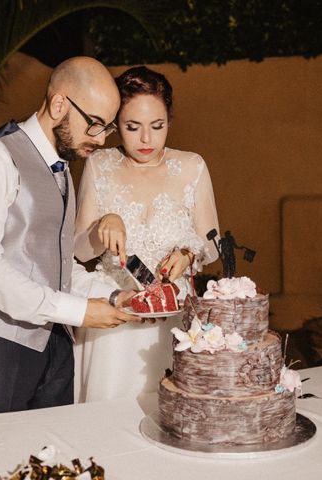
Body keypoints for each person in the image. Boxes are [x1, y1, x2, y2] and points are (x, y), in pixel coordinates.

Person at [0, 56, 139, 417]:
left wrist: (112, 296)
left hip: (55, 342)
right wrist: (78, 311)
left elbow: (57, 262)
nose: (100, 140)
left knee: (51, 457)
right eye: (95, 124)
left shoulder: (62, 168)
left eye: (107, 128)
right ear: (59, 104)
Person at [73, 66, 220, 402]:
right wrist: (102, 224)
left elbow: (211, 244)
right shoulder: (101, 165)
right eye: (132, 127)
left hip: (172, 322)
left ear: (169, 119)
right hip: (114, 321)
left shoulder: (192, 166)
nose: (146, 140)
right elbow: (80, 250)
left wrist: (187, 254)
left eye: (157, 126)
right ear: (115, 124)